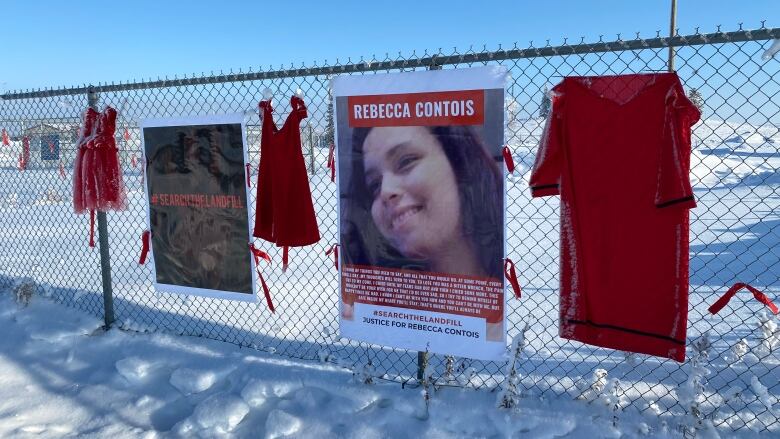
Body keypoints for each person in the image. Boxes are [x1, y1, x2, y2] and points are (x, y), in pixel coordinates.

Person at [341, 124, 503, 279]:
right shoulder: (368, 302)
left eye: (406, 162)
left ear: (459, 164)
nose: (385, 190)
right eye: (374, 185)